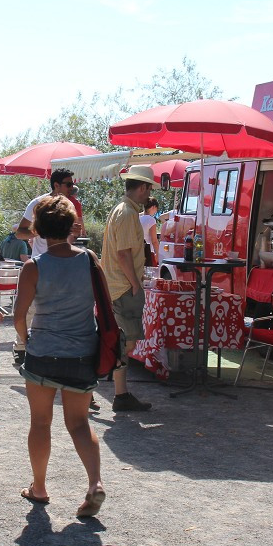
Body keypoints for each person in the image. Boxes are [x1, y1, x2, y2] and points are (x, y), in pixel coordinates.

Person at [12, 194, 106, 517]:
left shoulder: (34, 267)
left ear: (37, 230)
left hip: (42, 354)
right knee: (79, 423)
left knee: (40, 421)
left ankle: (39, 487)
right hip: (82, 353)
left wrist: (27, 342)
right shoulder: (90, 259)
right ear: (71, 227)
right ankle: (95, 483)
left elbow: (19, 316)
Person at [12, 169, 81, 364]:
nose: (72, 188)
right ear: (56, 185)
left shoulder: (71, 205)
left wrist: (71, 231)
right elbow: (20, 233)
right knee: (30, 307)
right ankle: (21, 346)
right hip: (40, 264)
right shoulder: (37, 204)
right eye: (68, 184)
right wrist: (41, 230)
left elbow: (72, 236)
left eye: (72, 184)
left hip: (63, 262)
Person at [101, 165, 155, 412]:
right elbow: (124, 255)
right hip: (123, 287)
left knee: (124, 342)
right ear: (142, 187)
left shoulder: (123, 210)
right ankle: (110, 391)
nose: (149, 194)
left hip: (118, 286)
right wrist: (135, 285)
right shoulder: (127, 213)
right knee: (124, 343)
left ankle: (120, 394)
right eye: (149, 188)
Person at [140, 197, 160, 267]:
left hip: (137, 250)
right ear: (153, 207)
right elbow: (154, 240)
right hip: (148, 251)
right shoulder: (151, 220)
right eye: (156, 210)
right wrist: (158, 253)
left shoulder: (137, 217)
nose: (155, 212)